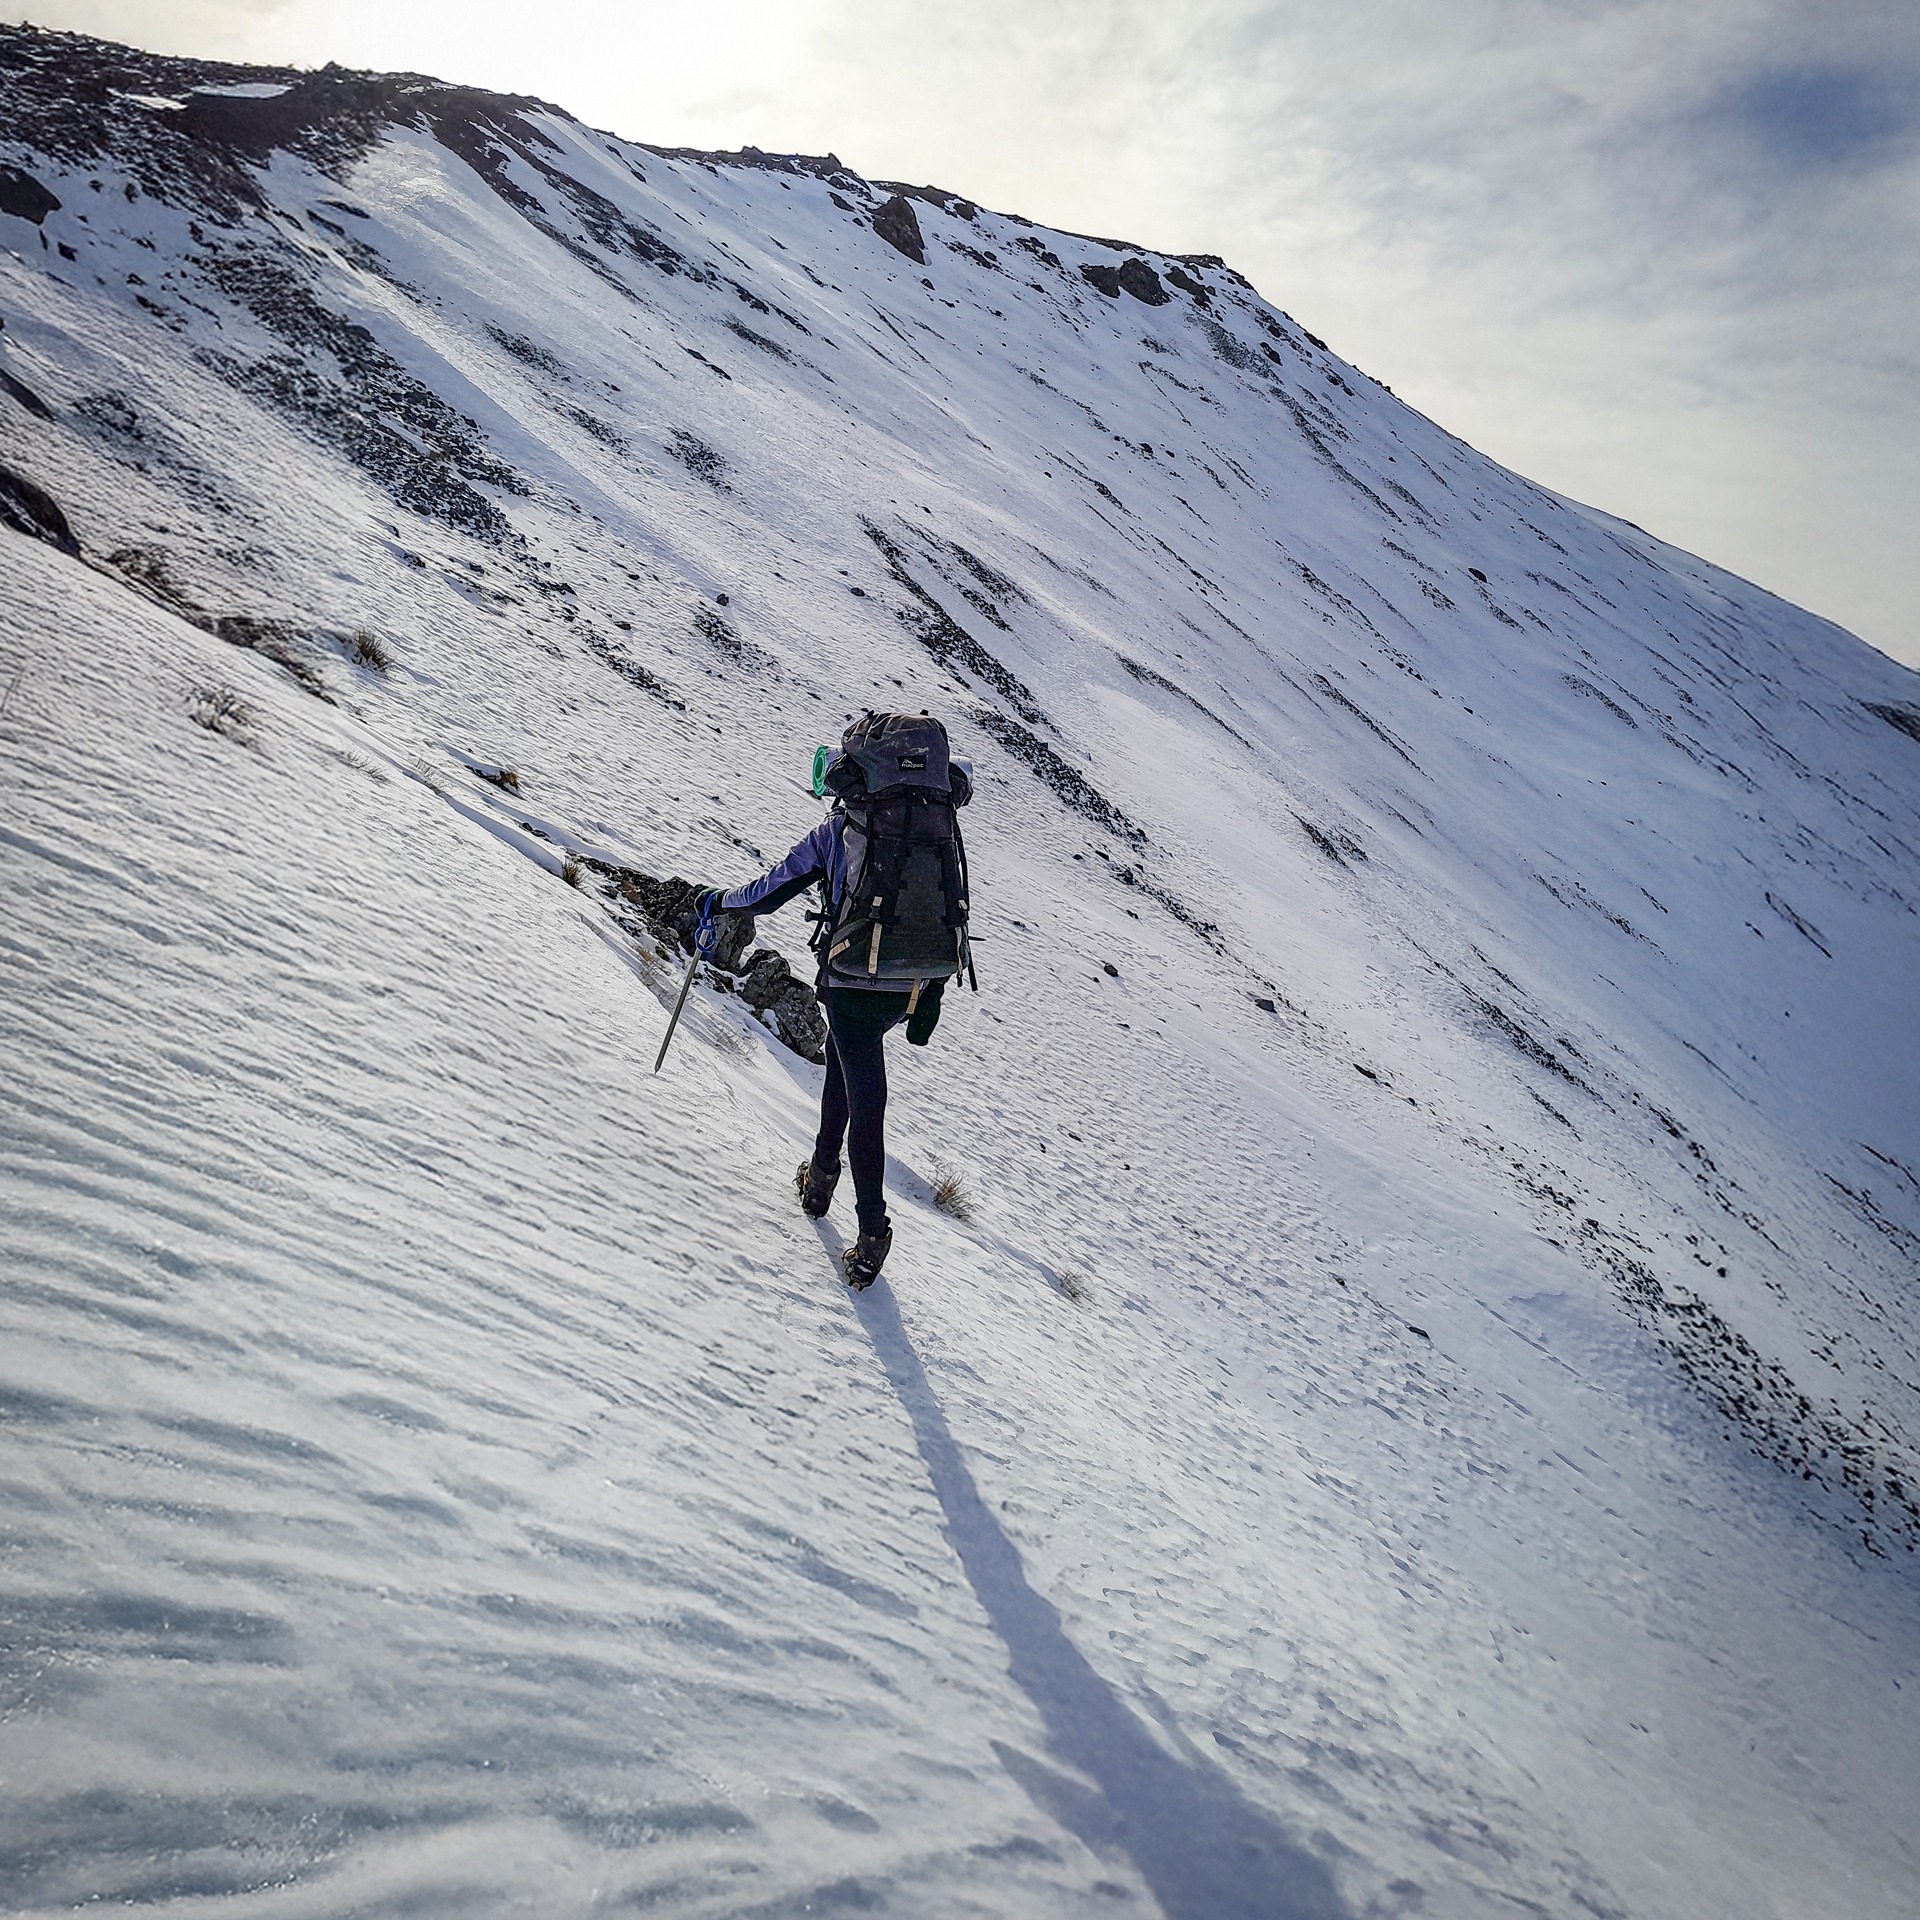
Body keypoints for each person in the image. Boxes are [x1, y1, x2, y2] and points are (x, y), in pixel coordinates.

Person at [697, 713, 973, 1288]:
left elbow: (768, 893)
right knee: (845, 1075)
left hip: (853, 981)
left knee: (866, 1107)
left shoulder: (840, 832)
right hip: (913, 980)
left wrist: (719, 901)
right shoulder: (935, 822)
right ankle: (819, 1181)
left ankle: (872, 1233)